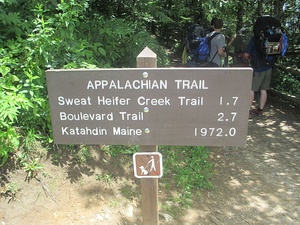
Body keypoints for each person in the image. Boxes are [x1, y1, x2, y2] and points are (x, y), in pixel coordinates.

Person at [244, 37, 273, 117]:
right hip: (269, 66)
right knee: (264, 89)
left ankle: (248, 111)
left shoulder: (254, 39)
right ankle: (260, 110)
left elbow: (246, 54)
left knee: (252, 89)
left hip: (258, 68)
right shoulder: (271, 38)